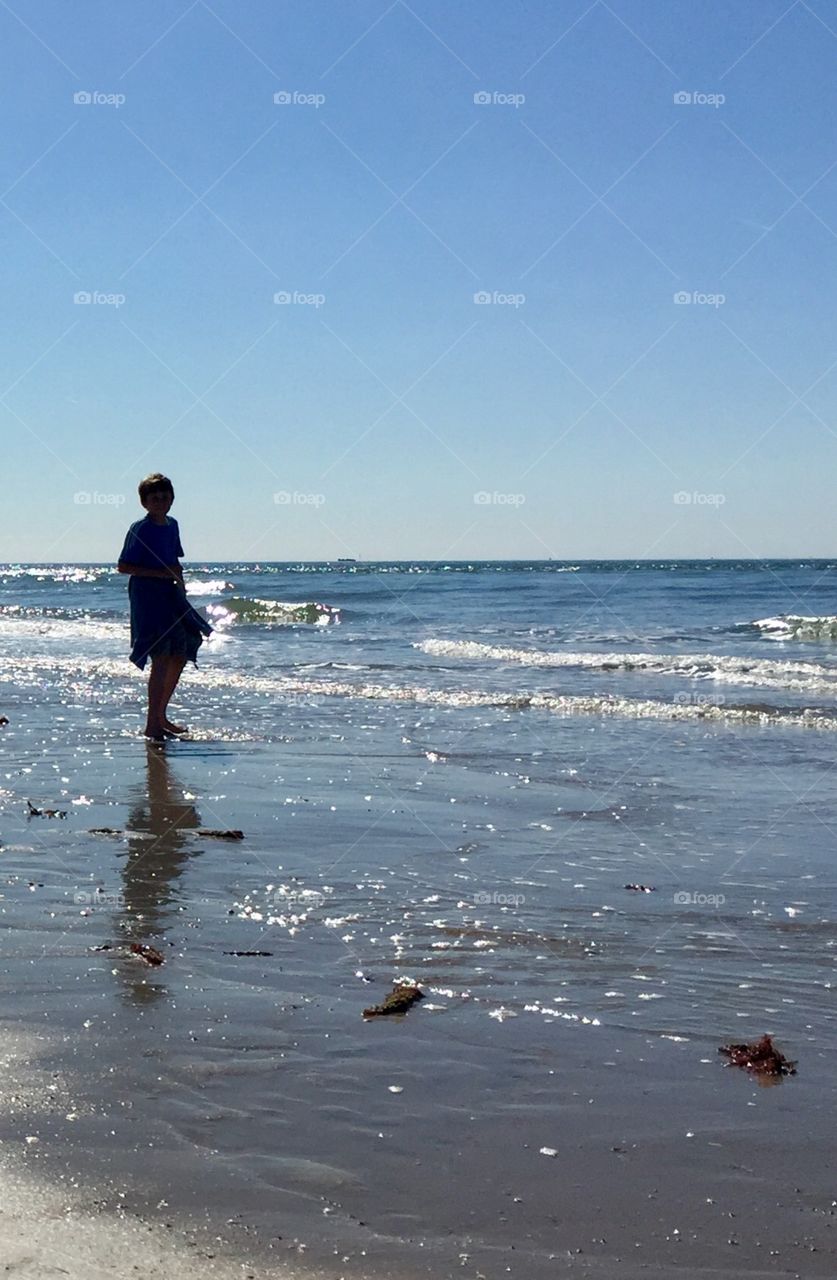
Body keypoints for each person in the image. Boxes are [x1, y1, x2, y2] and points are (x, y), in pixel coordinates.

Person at [117, 473, 212, 740]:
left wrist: (181, 585)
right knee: (160, 657)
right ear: (144, 502)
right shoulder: (141, 528)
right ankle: (152, 724)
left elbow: (175, 561)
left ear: (172, 499)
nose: (160, 501)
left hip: (171, 594)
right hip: (147, 596)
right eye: (154, 498)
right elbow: (124, 566)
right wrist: (159, 574)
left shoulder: (173, 525)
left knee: (182, 650)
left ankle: (161, 716)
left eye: (164, 497)